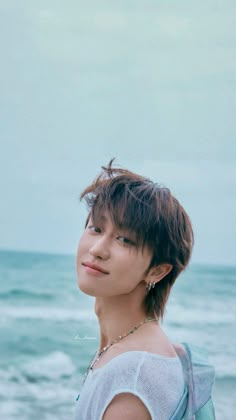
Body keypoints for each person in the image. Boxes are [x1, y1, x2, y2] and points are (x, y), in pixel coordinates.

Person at [74, 159, 215, 420]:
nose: (97, 250)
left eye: (124, 240)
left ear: (157, 270)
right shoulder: (124, 351)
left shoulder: (134, 377)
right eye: (96, 228)